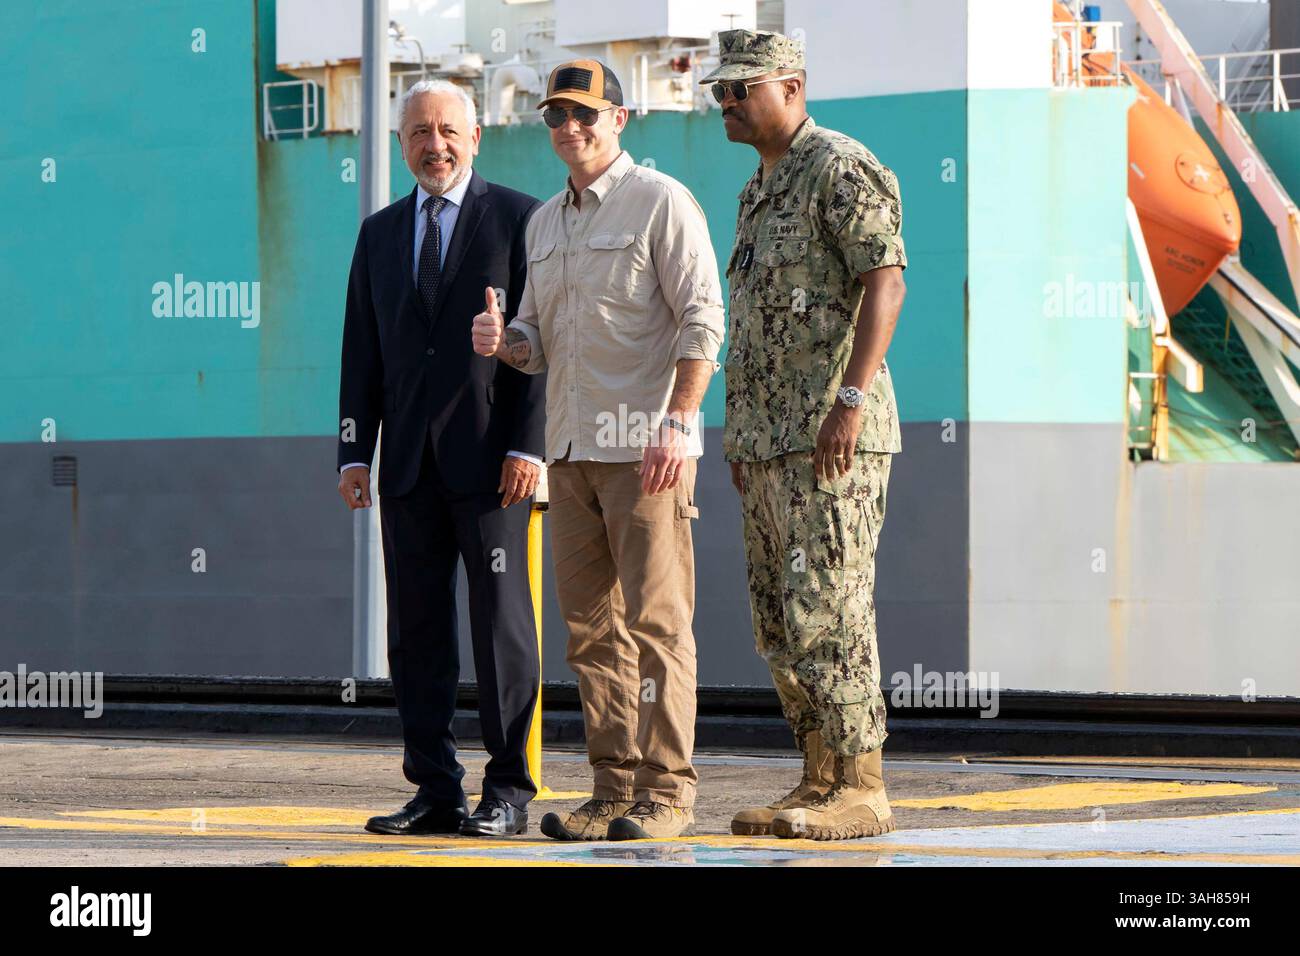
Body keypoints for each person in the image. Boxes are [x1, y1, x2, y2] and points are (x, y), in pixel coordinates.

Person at [472, 60, 725, 841]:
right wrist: (501, 341)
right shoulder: (543, 223)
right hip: (571, 452)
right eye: (555, 117)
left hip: (645, 451)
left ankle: (667, 792)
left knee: (657, 625)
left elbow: (702, 319)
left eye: (584, 114)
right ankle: (612, 789)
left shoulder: (660, 201)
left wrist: (680, 423)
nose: (569, 129)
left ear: (619, 119)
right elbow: (539, 344)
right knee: (589, 632)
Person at [702, 30, 908, 840]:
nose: (726, 102)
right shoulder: (761, 188)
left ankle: (864, 784)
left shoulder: (840, 167)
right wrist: (740, 440)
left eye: (740, 88)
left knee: (829, 606)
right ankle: (819, 777)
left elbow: (885, 279)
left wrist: (850, 399)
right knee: (778, 620)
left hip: (831, 438)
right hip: (767, 445)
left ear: (790, 85)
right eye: (720, 90)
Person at [337, 79, 545, 838]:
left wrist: (529, 442)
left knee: (501, 632)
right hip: (407, 472)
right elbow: (363, 349)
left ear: (477, 135)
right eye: (420, 132)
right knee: (416, 634)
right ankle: (434, 789)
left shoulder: (523, 220)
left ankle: (510, 792)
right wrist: (355, 451)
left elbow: (543, 345)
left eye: (448, 130)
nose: (435, 144)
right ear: (401, 144)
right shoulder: (380, 234)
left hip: (495, 467)